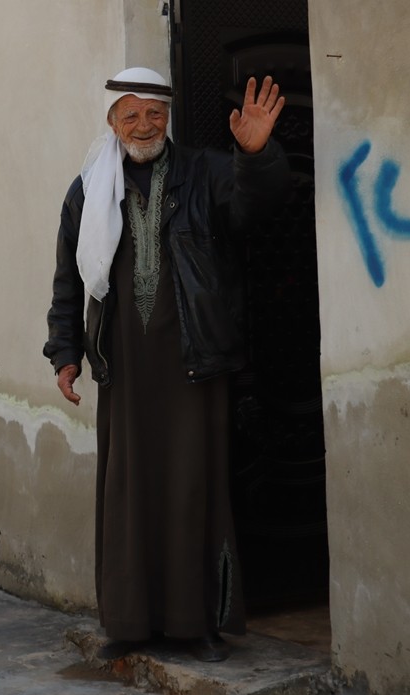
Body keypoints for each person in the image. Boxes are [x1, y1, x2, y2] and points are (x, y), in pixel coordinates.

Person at [43, 67, 288, 662]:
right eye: (131, 114)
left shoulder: (204, 172)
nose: (144, 125)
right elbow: (69, 280)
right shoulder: (87, 190)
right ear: (112, 122)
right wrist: (65, 352)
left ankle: (193, 624)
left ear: (168, 117)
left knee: (192, 489)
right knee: (127, 492)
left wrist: (255, 156)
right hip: (124, 365)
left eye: (155, 113)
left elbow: (256, 210)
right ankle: (128, 625)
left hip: (192, 360)